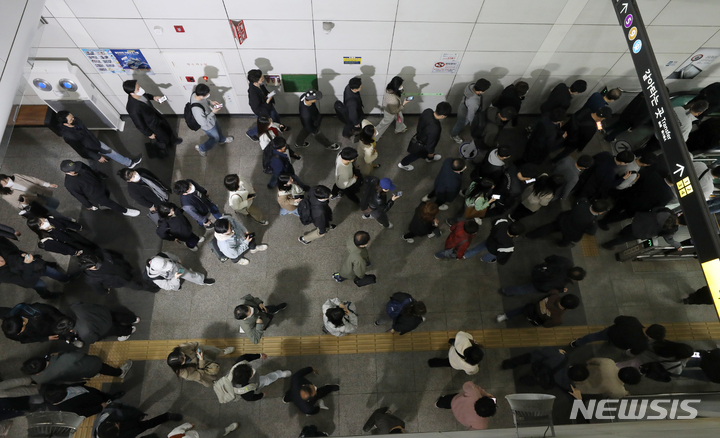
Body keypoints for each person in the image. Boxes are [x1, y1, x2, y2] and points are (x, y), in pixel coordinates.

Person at [57, 111, 141, 170]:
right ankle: (97, 174)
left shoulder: (76, 120)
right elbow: (81, 149)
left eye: (72, 116)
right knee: (93, 164)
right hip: (88, 150)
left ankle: (129, 163)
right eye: (71, 119)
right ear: (65, 123)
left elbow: (86, 131)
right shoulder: (68, 136)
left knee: (111, 152)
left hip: (95, 143)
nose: (74, 119)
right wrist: (97, 157)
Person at [61, 161, 140, 217]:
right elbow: (79, 196)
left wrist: (100, 176)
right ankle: (125, 211)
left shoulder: (79, 165)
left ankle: (103, 205)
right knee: (110, 203)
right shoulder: (70, 184)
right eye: (75, 169)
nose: (79, 168)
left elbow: (90, 170)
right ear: (68, 172)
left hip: (100, 183)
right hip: (95, 195)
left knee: (107, 193)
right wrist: (89, 205)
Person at [0, 236, 70, 299]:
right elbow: (25, 280)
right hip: (30, 279)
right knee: (41, 286)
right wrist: (27, 264)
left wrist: (22, 254)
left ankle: (65, 278)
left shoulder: (2, 249)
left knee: (51, 271)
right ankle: (47, 295)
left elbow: (14, 250)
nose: (0, 260)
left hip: (35, 267)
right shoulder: (2, 276)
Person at [122, 79, 180, 155]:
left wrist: (153, 97)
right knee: (162, 137)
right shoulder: (132, 108)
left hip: (156, 116)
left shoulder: (140, 94)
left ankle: (173, 140)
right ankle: (163, 148)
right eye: (138, 89)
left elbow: (146, 96)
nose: (141, 89)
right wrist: (149, 133)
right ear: (131, 93)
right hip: (152, 125)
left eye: (139, 87)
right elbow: (139, 124)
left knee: (167, 128)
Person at [526, 198, 610, 247]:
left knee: (548, 227)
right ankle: (561, 244)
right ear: (601, 212)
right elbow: (591, 233)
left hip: (563, 220)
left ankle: (531, 235)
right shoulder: (593, 222)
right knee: (566, 240)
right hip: (571, 232)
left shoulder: (583, 202)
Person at [213, 353, 290, 403]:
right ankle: (279, 374)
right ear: (248, 380)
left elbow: (245, 357)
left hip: (249, 385)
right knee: (266, 380)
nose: (253, 372)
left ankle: (279, 374)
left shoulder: (239, 363)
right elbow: (250, 398)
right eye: (251, 373)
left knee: (262, 382)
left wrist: (259, 355)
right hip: (256, 383)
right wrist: (261, 395)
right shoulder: (246, 392)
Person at [502, 347, 585, 392]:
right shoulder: (567, 384)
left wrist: (557, 351)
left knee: (526, 358)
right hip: (542, 378)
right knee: (535, 380)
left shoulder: (561, 358)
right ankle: (523, 380)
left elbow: (545, 350)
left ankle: (507, 364)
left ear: (572, 366)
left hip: (537, 364)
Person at [570, 316, 666, 355]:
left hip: (609, 332)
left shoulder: (633, 321)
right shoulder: (643, 345)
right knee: (612, 343)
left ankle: (577, 343)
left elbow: (617, 319)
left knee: (595, 336)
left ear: (650, 326)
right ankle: (610, 343)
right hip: (618, 343)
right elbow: (632, 353)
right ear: (652, 338)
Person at [398, 102, 451, 171]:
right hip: (423, 142)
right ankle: (403, 164)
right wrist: (431, 153)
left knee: (424, 151)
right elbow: (430, 143)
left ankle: (429, 157)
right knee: (416, 154)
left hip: (420, 133)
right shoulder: (435, 128)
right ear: (443, 116)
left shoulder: (428, 111)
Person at [22, 352, 132, 384]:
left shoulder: (38, 379)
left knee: (93, 372)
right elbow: (80, 355)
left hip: (78, 377)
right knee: (102, 368)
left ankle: (96, 374)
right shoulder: (65, 357)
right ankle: (120, 372)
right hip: (90, 366)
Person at [501, 255, 586, 296]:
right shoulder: (560, 282)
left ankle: (506, 290)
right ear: (573, 279)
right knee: (523, 289)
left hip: (538, 270)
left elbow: (553, 257)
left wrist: (546, 260)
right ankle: (506, 291)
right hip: (538, 283)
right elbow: (544, 287)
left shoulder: (567, 262)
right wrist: (560, 290)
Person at [601, 207, 681, 250]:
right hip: (643, 231)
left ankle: (621, 232)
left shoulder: (668, 212)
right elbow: (669, 240)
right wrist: (678, 245)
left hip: (642, 220)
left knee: (630, 226)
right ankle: (607, 244)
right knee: (624, 239)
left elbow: (655, 209)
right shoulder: (671, 229)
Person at [78, 250, 154, 295]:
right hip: (122, 281)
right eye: (96, 266)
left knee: (134, 272)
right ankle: (150, 288)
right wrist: (105, 291)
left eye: (98, 260)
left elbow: (115, 253)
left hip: (125, 268)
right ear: (88, 268)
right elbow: (98, 289)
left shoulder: (100, 252)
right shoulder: (91, 278)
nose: (100, 264)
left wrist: (122, 260)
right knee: (137, 286)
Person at [190, 83, 234, 156]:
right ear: (201, 95)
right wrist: (213, 112)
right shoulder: (196, 110)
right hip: (208, 125)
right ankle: (202, 148)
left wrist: (210, 102)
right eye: (206, 94)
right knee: (214, 138)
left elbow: (204, 101)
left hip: (212, 119)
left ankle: (222, 140)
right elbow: (203, 122)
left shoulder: (195, 94)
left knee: (219, 129)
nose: (208, 95)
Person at [65, 302, 140, 344]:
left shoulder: (83, 333)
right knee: (118, 316)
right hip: (103, 311)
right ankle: (134, 319)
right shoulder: (72, 308)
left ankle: (130, 330)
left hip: (106, 326)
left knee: (117, 330)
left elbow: (94, 338)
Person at [93, 403, 182, 438]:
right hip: (129, 433)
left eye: (116, 423)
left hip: (131, 424)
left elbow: (123, 409)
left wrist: (137, 415)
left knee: (149, 424)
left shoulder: (107, 416)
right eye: (117, 427)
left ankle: (167, 416)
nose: (118, 424)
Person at [166, 342, 235, 387]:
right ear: (180, 365)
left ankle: (222, 352)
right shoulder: (186, 373)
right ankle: (216, 382)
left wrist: (198, 350)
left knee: (213, 351)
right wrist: (201, 360)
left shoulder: (182, 347)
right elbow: (200, 374)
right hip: (200, 367)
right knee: (214, 369)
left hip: (200, 353)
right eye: (183, 359)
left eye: (182, 354)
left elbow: (194, 344)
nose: (185, 357)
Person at [496, 290, 580, 327]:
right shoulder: (557, 319)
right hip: (536, 319)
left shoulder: (553, 294)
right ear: (568, 308)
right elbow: (546, 325)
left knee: (519, 310)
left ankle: (504, 316)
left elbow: (539, 298)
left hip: (531, 308)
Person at [245, 69, 288, 141]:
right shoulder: (253, 94)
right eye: (261, 78)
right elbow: (256, 107)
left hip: (268, 106)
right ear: (256, 81)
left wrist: (267, 95)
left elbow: (263, 92)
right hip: (262, 110)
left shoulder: (259, 84)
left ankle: (279, 127)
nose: (263, 79)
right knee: (265, 124)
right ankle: (250, 133)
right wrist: (267, 101)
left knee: (275, 116)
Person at [26, 215, 97, 256]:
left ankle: (95, 248)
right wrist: (74, 252)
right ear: (38, 228)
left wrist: (77, 227)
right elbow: (61, 248)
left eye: (42, 219)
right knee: (86, 251)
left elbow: (64, 223)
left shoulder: (51, 219)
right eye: (41, 223)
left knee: (86, 242)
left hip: (72, 234)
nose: (45, 221)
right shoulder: (46, 240)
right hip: (71, 244)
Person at [0, 302, 66, 344]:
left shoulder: (34, 310)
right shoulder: (12, 332)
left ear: (23, 323)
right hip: (47, 332)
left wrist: (64, 323)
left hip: (52, 323)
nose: (19, 334)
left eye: (19, 332)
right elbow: (26, 340)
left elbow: (53, 312)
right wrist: (45, 338)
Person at [573, 358, 641, 398]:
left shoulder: (609, 362)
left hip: (577, 371)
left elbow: (591, 361)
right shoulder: (618, 391)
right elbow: (622, 395)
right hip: (577, 388)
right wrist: (625, 393)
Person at [145, 252, 215, 291]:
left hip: (178, 269)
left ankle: (201, 280)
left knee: (189, 274)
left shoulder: (160, 256)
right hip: (171, 279)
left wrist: (177, 259)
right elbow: (168, 286)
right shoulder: (156, 278)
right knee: (175, 286)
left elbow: (170, 255)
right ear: (158, 270)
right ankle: (178, 287)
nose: (170, 266)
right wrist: (175, 278)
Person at [43, 384, 123, 417]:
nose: (67, 390)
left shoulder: (54, 390)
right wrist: (100, 407)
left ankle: (110, 397)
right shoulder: (66, 409)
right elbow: (84, 412)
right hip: (91, 401)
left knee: (101, 394)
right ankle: (112, 404)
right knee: (104, 403)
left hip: (87, 391)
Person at [451, 78, 491, 143]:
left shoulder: (471, 85)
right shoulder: (473, 102)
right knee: (460, 124)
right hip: (465, 113)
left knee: (460, 122)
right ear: (481, 91)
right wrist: (472, 123)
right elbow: (470, 116)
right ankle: (453, 135)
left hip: (463, 105)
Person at [375, 76, 410, 142]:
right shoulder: (392, 100)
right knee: (383, 124)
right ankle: (375, 135)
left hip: (394, 107)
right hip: (390, 112)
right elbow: (394, 111)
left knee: (400, 118)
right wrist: (404, 104)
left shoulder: (390, 86)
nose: (402, 86)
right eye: (400, 85)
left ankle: (399, 129)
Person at [167, 422, 239, 438]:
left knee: (213, 433)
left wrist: (189, 425)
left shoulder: (172, 435)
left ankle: (225, 430)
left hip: (198, 435)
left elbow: (180, 428)